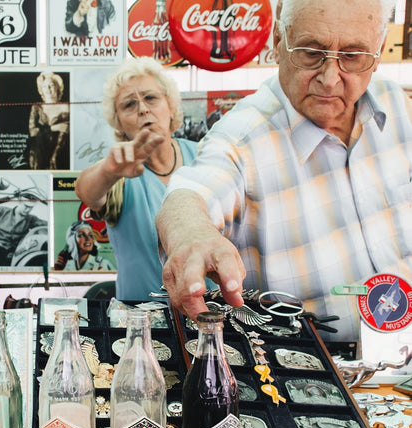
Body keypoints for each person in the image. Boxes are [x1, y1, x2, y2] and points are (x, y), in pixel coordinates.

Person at [156, 0, 411, 342]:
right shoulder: (242, 137)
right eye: (310, 52)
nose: (330, 77)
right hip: (308, 375)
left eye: (353, 56)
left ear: (377, 55)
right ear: (279, 40)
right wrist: (190, 234)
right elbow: (192, 192)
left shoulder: (396, 105)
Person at [75, 56, 214, 300]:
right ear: (119, 124)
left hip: (212, 316)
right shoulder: (118, 168)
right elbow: (86, 191)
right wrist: (108, 171)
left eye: (151, 98)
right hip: (141, 322)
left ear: (171, 106)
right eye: (129, 105)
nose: (142, 108)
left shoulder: (206, 157)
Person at [0, 199, 47, 267]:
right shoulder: (1, 211)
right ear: (19, 202)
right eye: (26, 206)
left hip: (13, 254)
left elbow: (48, 226)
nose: (28, 210)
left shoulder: (31, 219)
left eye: (31, 208)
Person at [27, 72, 70, 170]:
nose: (48, 89)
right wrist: (53, 128)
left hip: (61, 155)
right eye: (44, 86)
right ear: (41, 90)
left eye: (51, 85)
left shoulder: (67, 106)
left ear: (58, 88)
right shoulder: (37, 107)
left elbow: (69, 129)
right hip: (39, 154)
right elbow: (32, 132)